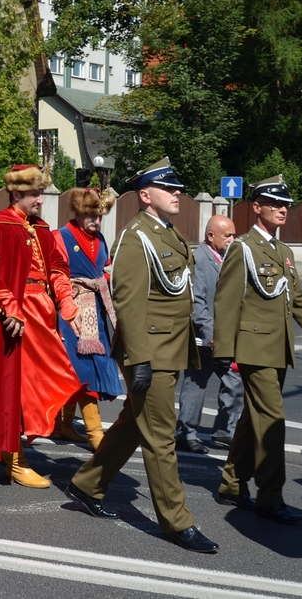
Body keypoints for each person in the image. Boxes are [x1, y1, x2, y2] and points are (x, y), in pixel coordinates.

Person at [64, 158, 218, 554]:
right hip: (149, 352)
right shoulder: (137, 236)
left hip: (170, 349)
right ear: (146, 196)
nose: (177, 193)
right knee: (160, 439)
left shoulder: (167, 233)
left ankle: (87, 483)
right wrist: (139, 358)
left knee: (137, 424)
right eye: (169, 189)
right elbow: (128, 302)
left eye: (178, 189)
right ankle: (176, 522)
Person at [213, 175, 302, 524]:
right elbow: (226, 299)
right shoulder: (243, 247)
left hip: (277, 349)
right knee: (272, 421)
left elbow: (297, 298)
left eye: (285, 205)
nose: (282, 210)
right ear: (257, 208)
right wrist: (224, 348)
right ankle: (270, 496)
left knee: (254, 419)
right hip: (254, 349)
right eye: (275, 204)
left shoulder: (283, 251)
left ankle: (233, 483)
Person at [0, 164, 84, 489]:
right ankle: (13, 457)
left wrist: (66, 300)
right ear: (17, 193)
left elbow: (57, 266)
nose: (41, 199)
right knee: (12, 387)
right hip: (12, 321)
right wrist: (10, 306)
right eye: (34, 193)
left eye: (41, 192)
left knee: (51, 380)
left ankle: (19, 444)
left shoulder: (41, 229)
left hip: (43, 316)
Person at [52, 187, 121, 452]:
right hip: (71, 313)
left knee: (86, 369)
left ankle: (66, 425)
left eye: (99, 215)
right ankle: (94, 434)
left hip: (97, 311)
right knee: (82, 371)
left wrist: (105, 280)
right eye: (91, 214)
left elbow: (105, 268)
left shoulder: (101, 239)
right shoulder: (61, 236)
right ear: (79, 212)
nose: (96, 220)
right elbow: (55, 274)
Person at [174, 215, 245, 454]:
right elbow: (197, 302)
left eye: (234, 234)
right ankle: (186, 433)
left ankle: (224, 432)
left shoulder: (229, 257)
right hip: (203, 338)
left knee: (234, 382)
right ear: (211, 236)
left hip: (226, 336)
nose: (233, 239)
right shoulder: (199, 259)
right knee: (196, 383)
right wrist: (210, 332)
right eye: (228, 235)